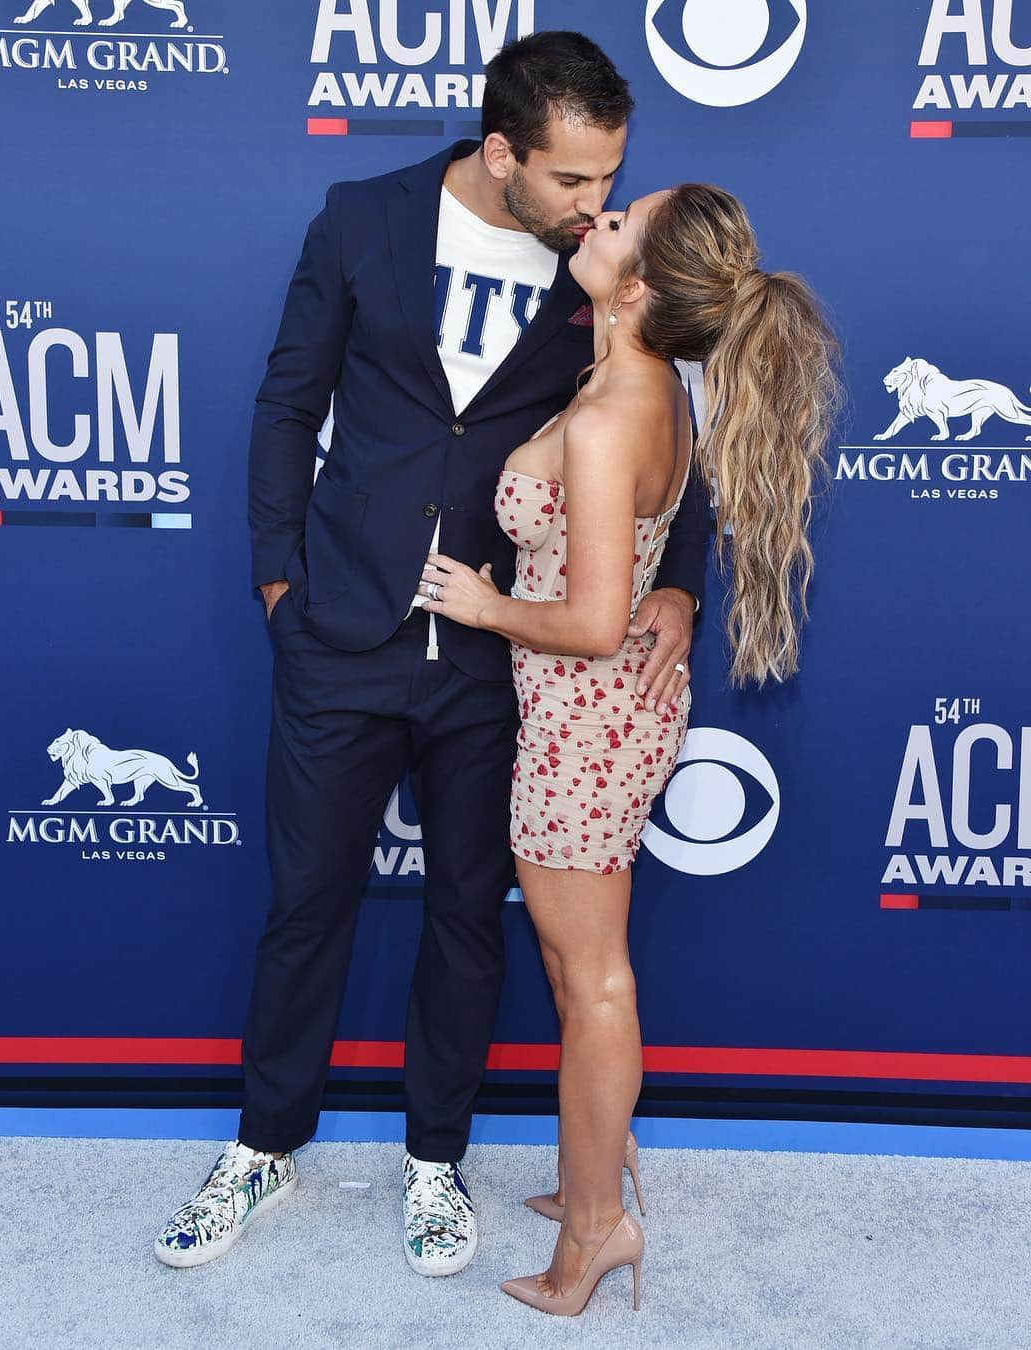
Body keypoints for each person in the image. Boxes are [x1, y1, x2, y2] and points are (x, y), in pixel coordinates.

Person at [153, 32, 711, 1275]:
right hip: (342, 626)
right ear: (503, 151)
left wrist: (678, 581)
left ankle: (436, 1161)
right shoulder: (361, 219)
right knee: (306, 906)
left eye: (610, 177)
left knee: (468, 914)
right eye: (572, 180)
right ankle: (264, 1142)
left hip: (502, 654)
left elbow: (677, 423)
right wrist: (277, 582)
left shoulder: (608, 275)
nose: (596, 204)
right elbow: (287, 403)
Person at [419, 183, 840, 1314]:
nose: (592, 224)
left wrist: (484, 605)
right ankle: (592, 1176)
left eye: (616, 225)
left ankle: (597, 1234)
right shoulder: (638, 387)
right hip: (596, 722)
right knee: (575, 969)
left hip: (584, 727)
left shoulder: (615, 412)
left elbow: (596, 622)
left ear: (640, 285)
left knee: (593, 980)